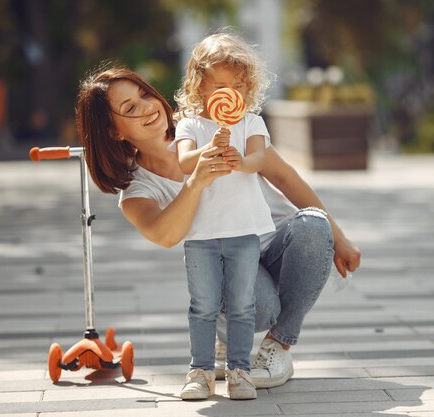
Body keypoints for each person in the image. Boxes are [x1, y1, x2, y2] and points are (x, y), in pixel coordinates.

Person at [75, 60, 361, 394]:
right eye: (130, 107)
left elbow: (284, 176)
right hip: (230, 262)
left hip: (277, 242)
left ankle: (279, 347)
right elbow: (166, 235)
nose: (148, 107)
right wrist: (195, 182)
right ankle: (226, 337)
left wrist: (338, 238)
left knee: (314, 225)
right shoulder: (138, 192)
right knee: (261, 307)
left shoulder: (207, 123)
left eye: (145, 94)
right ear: (114, 132)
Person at [170, 33, 276, 400]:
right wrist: (207, 151)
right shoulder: (189, 125)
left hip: (244, 230)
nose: (227, 92)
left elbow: (259, 158)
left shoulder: (250, 122)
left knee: (243, 305)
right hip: (200, 231)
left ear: (246, 87)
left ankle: (240, 372)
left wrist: (241, 161)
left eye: (236, 85)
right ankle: (199, 371)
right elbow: (182, 161)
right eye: (218, 84)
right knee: (203, 304)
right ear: (199, 84)